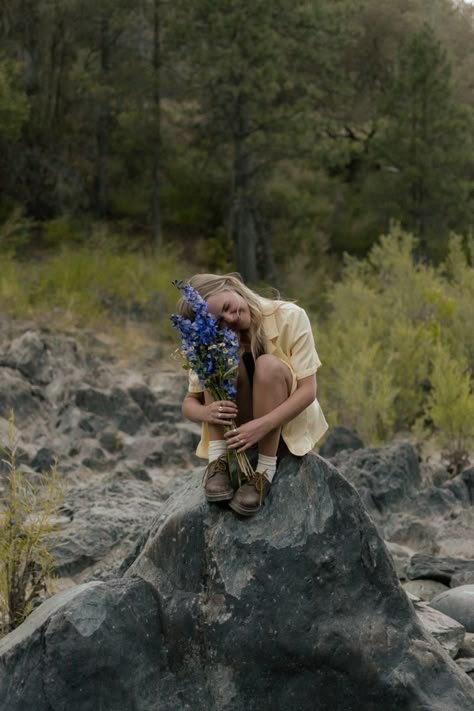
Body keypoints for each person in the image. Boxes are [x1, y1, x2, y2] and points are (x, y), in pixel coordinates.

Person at [176, 272, 328, 516]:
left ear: (232, 285)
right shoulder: (210, 340)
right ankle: (218, 464)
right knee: (218, 358)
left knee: (268, 365)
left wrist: (262, 425)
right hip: (239, 428)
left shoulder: (290, 316)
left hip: (283, 422)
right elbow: (189, 404)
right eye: (218, 322)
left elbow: (308, 391)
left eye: (227, 306)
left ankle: (263, 474)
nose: (229, 319)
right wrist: (206, 411)